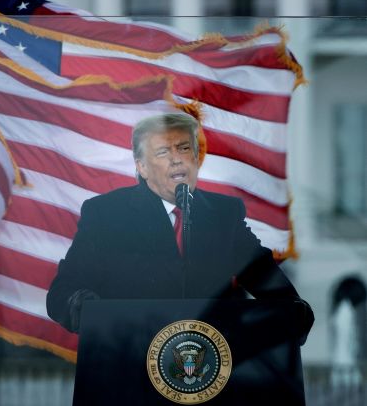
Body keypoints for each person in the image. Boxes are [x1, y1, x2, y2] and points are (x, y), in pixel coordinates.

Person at [46, 112, 313, 341]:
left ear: (196, 160)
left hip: (207, 373)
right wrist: (92, 309)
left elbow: (269, 283)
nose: (177, 159)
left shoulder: (223, 215)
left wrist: (295, 312)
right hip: (131, 366)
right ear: (142, 167)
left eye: (184, 148)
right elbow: (61, 295)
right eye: (163, 152)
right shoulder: (106, 214)